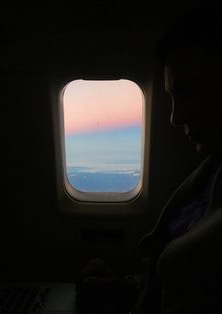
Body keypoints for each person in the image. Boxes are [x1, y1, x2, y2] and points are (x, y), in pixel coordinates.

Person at [76, 3, 222, 314]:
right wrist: (125, 288)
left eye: (189, 90)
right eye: (172, 96)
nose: (174, 116)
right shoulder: (212, 171)